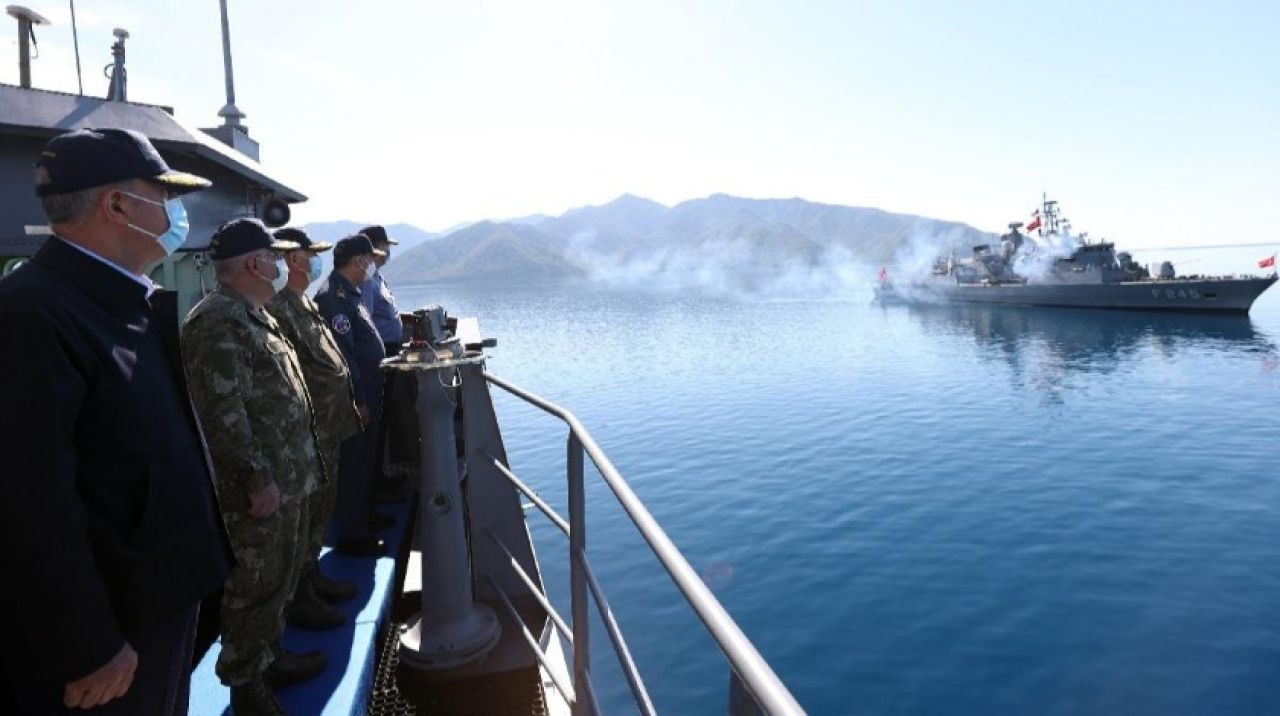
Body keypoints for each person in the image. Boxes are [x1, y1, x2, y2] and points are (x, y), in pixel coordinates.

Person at [0, 128, 232, 714]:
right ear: (118, 205)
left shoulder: (120, 301)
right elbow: (28, 503)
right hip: (112, 637)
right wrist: (87, 645)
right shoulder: (31, 314)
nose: (174, 212)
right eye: (164, 195)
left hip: (158, 603)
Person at [181, 218, 327, 715]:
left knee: (279, 581)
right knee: (255, 587)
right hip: (259, 489)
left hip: (288, 479)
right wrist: (256, 478)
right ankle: (247, 688)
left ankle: (271, 658)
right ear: (252, 263)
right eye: (274, 255)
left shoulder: (253, 314)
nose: (281, 264)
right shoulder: (216, 321)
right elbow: (224, 413)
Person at [265, 227, 363, 626]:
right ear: (293, 259)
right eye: (310, 255)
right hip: (306, 433)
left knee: (321, 512)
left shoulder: (303, 303)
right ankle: (299, 599)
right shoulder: (278, 308)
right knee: (303, 518)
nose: (315, 262)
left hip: (328, 428)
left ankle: (312, 577)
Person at [314, 234, 391, 556]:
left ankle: (366, 517)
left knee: (367, 458)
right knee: (354, 463)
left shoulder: (351, 294)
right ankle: (352, 534)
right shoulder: (333, 298)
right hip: (356, 396)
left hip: (371, 389)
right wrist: (358, 398)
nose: (373, 264)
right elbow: (344, 356)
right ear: (359, 261)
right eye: (370, 259)